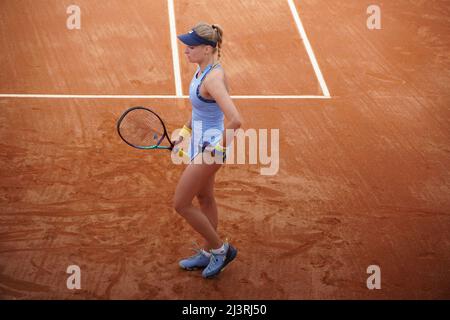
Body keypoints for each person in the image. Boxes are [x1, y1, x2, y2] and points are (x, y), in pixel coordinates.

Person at [173, 22, 242, 278]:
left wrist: (219, 149)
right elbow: (199, 110)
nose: (185, 51)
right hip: (199, 144)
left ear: (206, 48)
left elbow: (236, 119)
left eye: (191, 47)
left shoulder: (213, 79)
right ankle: (208, 252)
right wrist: (184, 133)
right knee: (205, 199)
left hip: (209, 150)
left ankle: (220, 250)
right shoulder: (203, 70)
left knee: (181, 204)